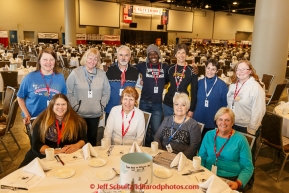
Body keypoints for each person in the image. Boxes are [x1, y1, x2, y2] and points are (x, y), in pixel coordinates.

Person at [19, 94, 88, 167]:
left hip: (68, 157)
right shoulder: (41, 121)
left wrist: (76, 145)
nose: (60, 107)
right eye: (57, 104)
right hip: (42, 157)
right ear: (52, 106)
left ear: (67, 106)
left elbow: (84, 138)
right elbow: (36, 144)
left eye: (63, 104)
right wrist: (56, 152)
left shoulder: (77, 121)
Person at [227, 60, 265, 189]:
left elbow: (259, 110)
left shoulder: (255, 87)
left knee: (247, 158)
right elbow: (229, 104)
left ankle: (247, 184)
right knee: (235, 154)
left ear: (250, 71)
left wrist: (252, 129)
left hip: (247, 127)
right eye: (238, 69)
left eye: (244, 69)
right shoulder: (234, 85)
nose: (241, 72)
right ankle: (236, 179)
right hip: (233, 125)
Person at [198, 107, 254, 192]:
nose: (223, 123)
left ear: (232, 123)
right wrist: (201, 173)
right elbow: (201, 157)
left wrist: (238, 183)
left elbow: (248, 167)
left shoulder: (241, 140)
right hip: (208, 175)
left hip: (230, 179)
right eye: (220, 119)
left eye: (227, 120)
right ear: (216, 121)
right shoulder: (209, 135)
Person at [66, 48, 110, 146]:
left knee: (92, 141)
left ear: (98, 61)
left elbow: (107, 92)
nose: (92, 61)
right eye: (90, 58)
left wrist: (101, 106)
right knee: (78, 141)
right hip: (79, 114)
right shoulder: (75, 73)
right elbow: (68, 91)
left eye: (95, 59)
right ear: (85, 58)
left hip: (95, 113)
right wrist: (76, 106)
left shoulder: (102, 74)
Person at [17, 48, 67, 125]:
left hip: (55, 118)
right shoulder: (29, 78)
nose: (48, 62)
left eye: (51, 59)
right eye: (45, 59)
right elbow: (20, 97)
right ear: (39, 61)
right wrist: (26, 114)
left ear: (55, 61)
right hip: (34, 119)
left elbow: (64, 98)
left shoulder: (60, 77)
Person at [135, 44, 169, 145]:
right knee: (143, 129)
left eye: (155, 53)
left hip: (157, 104)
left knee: (156, 131)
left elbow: (168, 79)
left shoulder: (165, 67)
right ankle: (144, 149)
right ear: (147, 56)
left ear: (158, 55)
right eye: (150, 54)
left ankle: (153, 150)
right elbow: (129, 68)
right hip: (144, 102)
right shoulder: (142, 66)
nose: (153, 56)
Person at [154, 93, 201, 159]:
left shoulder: (193, 125)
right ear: (173, 106)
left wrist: (178, 159)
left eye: (183, 105)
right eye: (176, 104)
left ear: (187, 108)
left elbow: (194, 146)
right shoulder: (167, 119)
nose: (179, 107)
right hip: (163, 155)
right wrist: (161, 153)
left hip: (181, 160)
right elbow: (157, 137)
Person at [193, 59, 228, 139]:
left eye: (213, 69)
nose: (210, 71)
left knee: (211, 146)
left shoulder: (222, 85)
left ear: (216, 71)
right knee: (197, 144)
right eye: (208, 68)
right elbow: (194, 101)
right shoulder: (199, 82)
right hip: (198, 120)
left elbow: (224, 106)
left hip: (213, 122)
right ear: (205, 68)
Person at [104, 45, 139, 123]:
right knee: (109, 133)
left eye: (126, 55)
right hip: (111, 109)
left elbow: (139, 88)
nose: (123, 58)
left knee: (126, 133)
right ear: (117, 56)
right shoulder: (109, 70)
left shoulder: (135, 71)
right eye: (121, 55)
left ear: (130, 57)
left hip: (128, 110)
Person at [163, 43, 198, 117]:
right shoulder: (170, 68)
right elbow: (164, 82)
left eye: (183, 52)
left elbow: (194, 92)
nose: (181, 55)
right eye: (178, 52)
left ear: (186, 55)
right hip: (168, 104)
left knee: (181, 128)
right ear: (175, 55)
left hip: (183, 106)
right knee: (167, 127)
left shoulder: (192, 71)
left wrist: (191, 109)